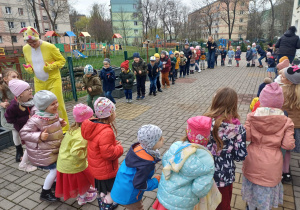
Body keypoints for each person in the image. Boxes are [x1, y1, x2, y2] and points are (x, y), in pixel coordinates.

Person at [242, 82, 295, 210]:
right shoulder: (286, 121)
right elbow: (288, 145)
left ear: (262, 99)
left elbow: (246, 137)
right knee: (265, 196)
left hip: (252, 160)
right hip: (272, 163)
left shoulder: (252, 116)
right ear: (280, 102)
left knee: (252, 193)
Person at [153, 116, 221, 210]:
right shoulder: (206, 160)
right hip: (183, 204)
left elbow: (165, 163)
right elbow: (199, 190)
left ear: (187, 131)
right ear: (208, 136)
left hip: (165, 196)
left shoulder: (176, 146)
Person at [204, 87, 247, 210]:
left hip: (204, 171)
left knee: (204, 204)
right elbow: (240, 155)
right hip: (224, 174)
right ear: (234, 104)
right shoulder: (238, 128)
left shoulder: (205, 121)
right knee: (222, 205)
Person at [20, 90, 67, 202]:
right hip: (43, 153)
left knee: (58, 168)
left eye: (56, 102)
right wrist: (39, 136)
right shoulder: (36, 120)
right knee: (54, 170)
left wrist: (60, 121)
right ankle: (45, 193)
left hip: (52, 149)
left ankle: (54, 186)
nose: (56, 105)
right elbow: (23, 133)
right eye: (53, 104)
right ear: (44, 106)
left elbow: (52, 121)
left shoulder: (51, 113)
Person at [20, 26, 69, 132]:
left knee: (57, 103)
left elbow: (62, 61)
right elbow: (28, 62)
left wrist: (50, 66)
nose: (32, 45)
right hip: (38, 80)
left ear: (37, 37)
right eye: (29, 43)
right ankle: (47, 126)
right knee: (41, 104)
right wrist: (29, 68)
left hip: (53, 79)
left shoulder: (49, 47)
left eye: (34, 42)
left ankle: (64, 129)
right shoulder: (25, 49)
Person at [81, 97, 123, 210]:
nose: (115, 113)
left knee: (102, 189)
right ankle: (107, 205)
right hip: (106, 170)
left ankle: (102, 202)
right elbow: (109, 154)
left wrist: (113, 143)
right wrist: (119, 148)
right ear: (109, 115)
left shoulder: (95, 126)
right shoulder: (106, 131)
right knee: (110, 190)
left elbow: (100, 145)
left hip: (97, 168)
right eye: (114, 111)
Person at [111, 124, 164, 210]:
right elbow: (139, 184)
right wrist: (156, 181)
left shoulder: (139, 148)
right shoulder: (146, 163)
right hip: (129, 196)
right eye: (160, 139)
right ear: (151, 143)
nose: (163, 139)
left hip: (122, 187)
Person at [55, 104, 97, 205]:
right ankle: (82, 198)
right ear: (86, 120)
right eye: (91, 117)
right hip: (73, 164)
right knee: (81, 180)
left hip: (65, 162)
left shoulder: (74, 128)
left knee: (83, 178)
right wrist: (88, 153)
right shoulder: (81, 135)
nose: (94, 118)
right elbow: (75, 152)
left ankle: (84, 191)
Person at [5, 79, 37, 172]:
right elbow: (9, 119)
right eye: (27, 89)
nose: (31, 90)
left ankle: (33, 158)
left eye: (30, 88)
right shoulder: (13, 106)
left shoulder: (31, 100)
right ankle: (23, 164)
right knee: (30, 144)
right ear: (20, 94)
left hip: (33, 126)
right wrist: (27, 117)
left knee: (33, 143)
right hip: (24, 129)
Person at [280, 66, 300, 182]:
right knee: (292, 149)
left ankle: (282, 171)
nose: (281, 78)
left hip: (285, 126)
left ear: (289, 80)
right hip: (297, 127)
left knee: (284, 149)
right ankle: (286, 172)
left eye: (283, 77)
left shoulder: (283, 91)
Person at [0, 69, 22, 162]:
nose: (16, 79)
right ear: (5, 79)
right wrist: (2, 104)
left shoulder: (20, 86)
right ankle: (19, 151)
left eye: (17, 77)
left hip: (20, 113)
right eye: (13, 77)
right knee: (16, 132)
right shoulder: (1, 89)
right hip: (9, 115)